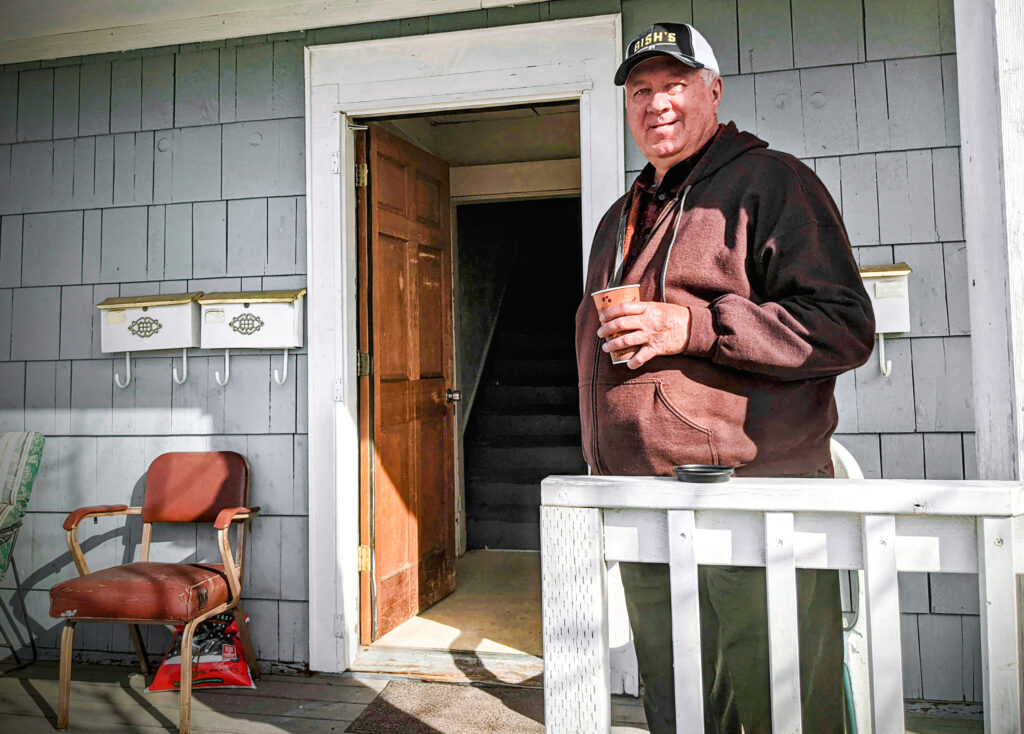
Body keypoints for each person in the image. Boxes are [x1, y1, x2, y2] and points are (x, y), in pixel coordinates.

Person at [574, 22, 876, 734]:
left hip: (752, 499)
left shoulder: (772, 184)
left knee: (784, 705)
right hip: (645, 502)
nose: (658, 104)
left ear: (713, 91)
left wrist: (694, 326)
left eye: (675, 84)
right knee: (680, 704)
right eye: (641, 90)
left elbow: (843, 325)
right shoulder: (621, 217)